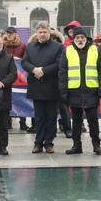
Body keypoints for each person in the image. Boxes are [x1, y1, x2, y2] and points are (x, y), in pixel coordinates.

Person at [59, 27, 101, 155]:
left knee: (93, 120)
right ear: (73, 39)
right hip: (74, 91)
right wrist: (63, 91)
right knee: (76, 120)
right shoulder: (67, 50)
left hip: (91, 90)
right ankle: (76, 145)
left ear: (86, 38)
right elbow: (62, 72)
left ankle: (96, 145)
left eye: (82, 37)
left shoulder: (95, 50)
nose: (80, 40)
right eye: (77, 38)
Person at [22, 21, 63, 154]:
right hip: (36, 86)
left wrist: (43, 71)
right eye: (40, 32)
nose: (42, 34)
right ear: (37, 33)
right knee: (38, 117)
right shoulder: (30, 46)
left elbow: (59, 64)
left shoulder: (57, 47)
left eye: (45, 32)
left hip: (51, 87)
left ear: (49, 33)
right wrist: (34, 70)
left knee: (51, 117)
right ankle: (38, 143)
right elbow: (24, 62)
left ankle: (49, 143)